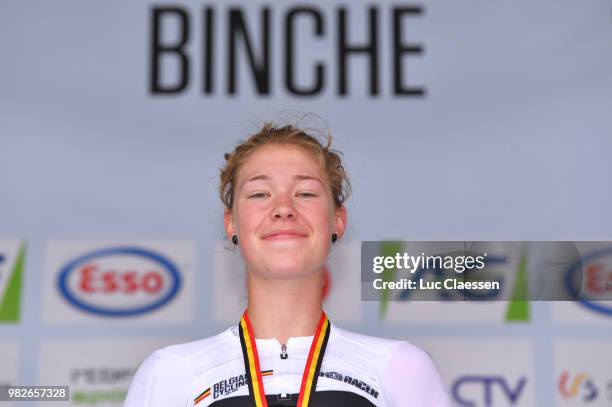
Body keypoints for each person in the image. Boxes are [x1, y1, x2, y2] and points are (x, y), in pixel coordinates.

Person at [124, 122, 451, 407]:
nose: (283, 209)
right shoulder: (172, 371)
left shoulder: (400, 367)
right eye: (259, 194)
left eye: (306, 193)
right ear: (231, 223)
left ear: (337, 220)